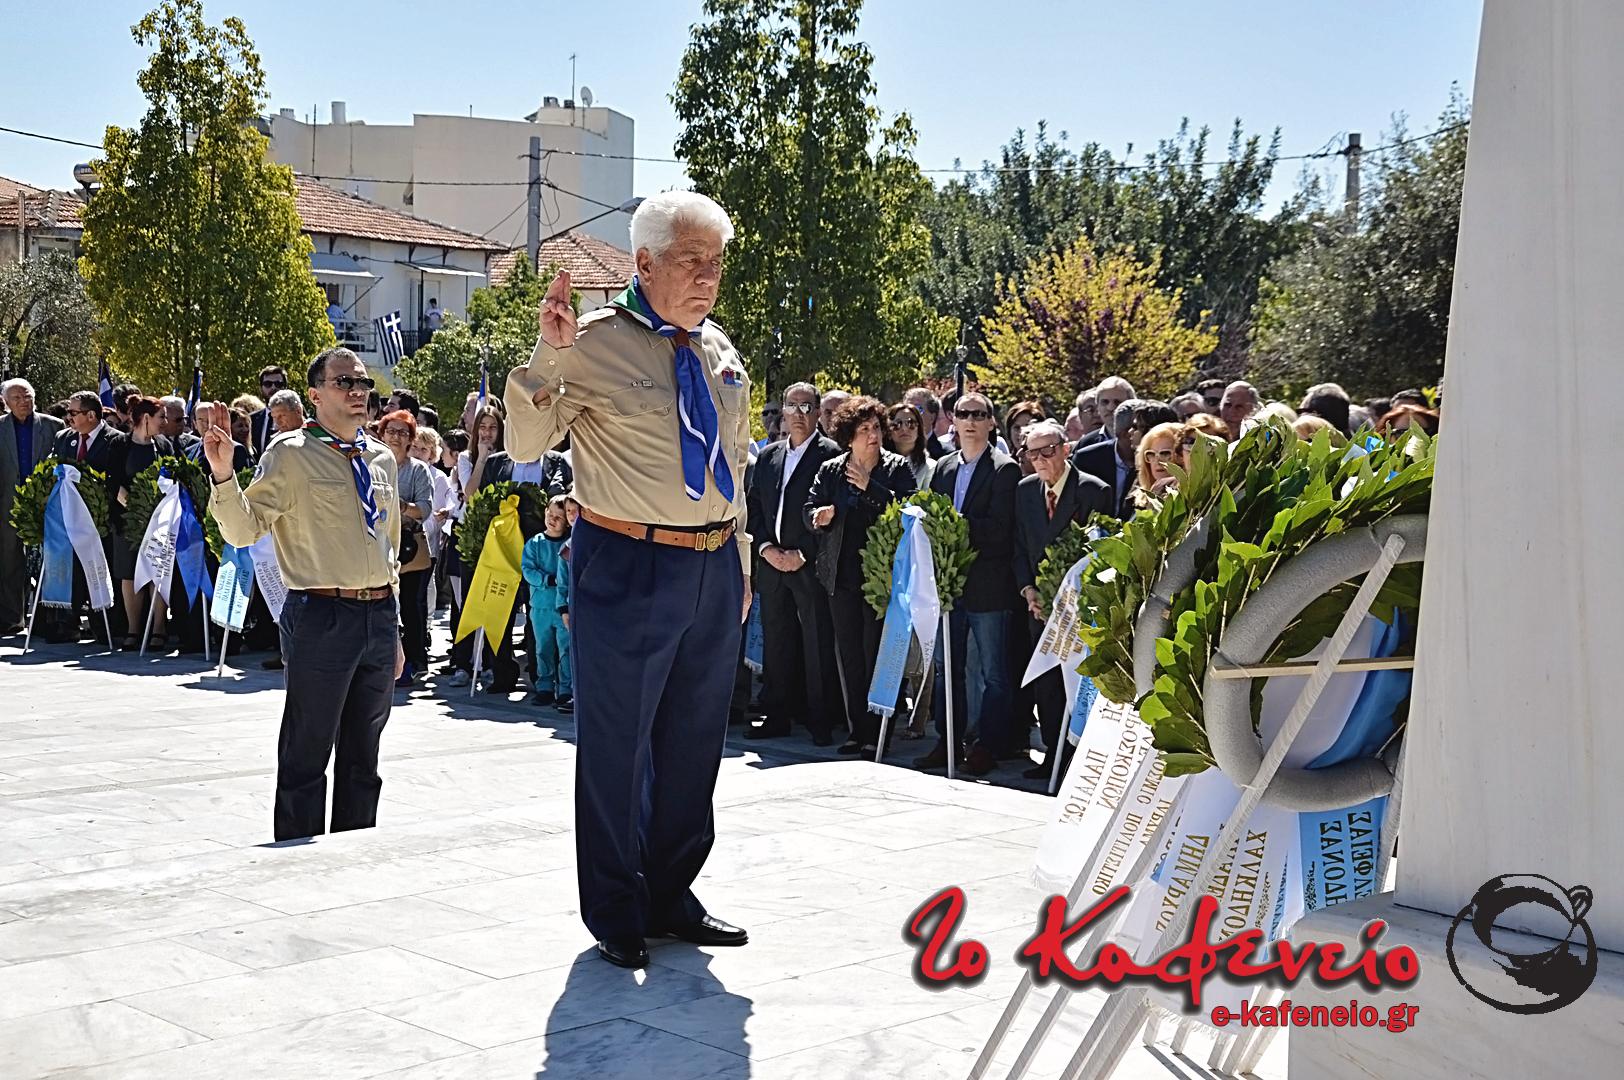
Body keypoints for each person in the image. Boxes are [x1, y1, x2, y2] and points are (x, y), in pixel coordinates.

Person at [503, 190, 754, 970]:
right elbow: (525, 443)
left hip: (713, 561)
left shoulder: (717, 349)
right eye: (691, 260)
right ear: (643, 263)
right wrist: (548, 355)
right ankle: (615, 907)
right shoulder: (591, 343)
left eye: (716, 262)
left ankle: (670, 894)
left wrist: (741, 560)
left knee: (694, 742)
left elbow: (734, 460)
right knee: (617, 745)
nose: (707, 277)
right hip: (628, 558)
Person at [204, 347, 404, 842]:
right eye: (344, 383)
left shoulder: (380, 458)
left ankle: (357, 849)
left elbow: (390, 546)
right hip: (321, 613)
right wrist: (224, 475)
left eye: (363, 384)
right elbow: (244, 530)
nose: (357, 392)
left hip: (378, 614)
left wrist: (395, 626)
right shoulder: (290, 454)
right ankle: (297, 856)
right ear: (315, 395)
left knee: (364, 757)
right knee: (306, 753)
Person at [805, 395, 917, 755]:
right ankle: (858, 730)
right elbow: (810, 507)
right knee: (850, 655)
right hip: (841, 575)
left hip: (882, 577)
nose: (873, 435)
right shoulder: (831, 469)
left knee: (876, 654)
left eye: (876, 428)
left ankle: (879, 731)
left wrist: (871, 487)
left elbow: (909, 510)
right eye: (864, 429)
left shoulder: (896, 467)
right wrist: (818, 516)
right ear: (849, 436)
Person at [918, 391, 1020, 776]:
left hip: (989, 586)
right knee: (948, 669)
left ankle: (987, 746)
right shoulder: (943, 467)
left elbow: (1000, 530)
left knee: (994, 673)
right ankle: (948, 739)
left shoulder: (1005, 469)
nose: (971, 421)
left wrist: (954, 527)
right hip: (949, 586)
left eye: (979, 415)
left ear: (992, 422)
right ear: (953, 421)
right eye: (964, 414)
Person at [1013, 419, 1112, 781]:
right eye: (1032, 453)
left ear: (1066, 450)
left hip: (1077, 608)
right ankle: (1052, 755)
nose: (1040, 460)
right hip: (1039, 607)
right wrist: (1028, 590)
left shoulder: (1092, 490)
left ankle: (1074, 762)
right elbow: (1019, 545)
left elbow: (1099, 551)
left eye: (1048, 451)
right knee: (1046, 683)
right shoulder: (1025, 490)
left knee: (1075, 681)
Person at [746, 383, 841, 745]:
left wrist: (803, 553)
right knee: (776, 640)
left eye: (806, 407)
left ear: (817, 413)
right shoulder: (768, 456)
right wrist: (766, 548)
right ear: (783, 412)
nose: (798, 414)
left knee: (816, 640)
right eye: (792, 406)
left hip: (809, 565)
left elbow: (834, 514)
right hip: (772, 563)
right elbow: (754, 507)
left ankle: (820, 719)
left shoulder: (831, 455)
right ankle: (776, 715)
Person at [0, 379, 65, 635]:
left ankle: (44, 619)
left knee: (46, 563)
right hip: (8, 504)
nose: (23, 402)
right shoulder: (1, 428)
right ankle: (12, 619)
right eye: (17, 398)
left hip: (45, 505)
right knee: (10, 562)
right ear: (6, 402)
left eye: (27, 396)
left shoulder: (53, 426)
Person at [109, 396, 174, 649]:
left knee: (157, 572)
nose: (165, 422)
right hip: (127, 521)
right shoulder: (120, 444)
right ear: (146, 418)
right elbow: (113, 480)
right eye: (161, 417)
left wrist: (155, 511)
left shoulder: (164, 445)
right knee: (129, 573)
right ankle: (133, 629)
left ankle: (159, 628)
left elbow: (172, 477)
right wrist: (136, 510)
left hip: (160, 521)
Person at [378, 410, 433, 687]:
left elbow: (425, 509)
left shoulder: (418, 470)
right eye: (391, 431)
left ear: (411, 438)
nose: (396, 437)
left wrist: (401, 506)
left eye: (402, 432)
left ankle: (414, 661)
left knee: (410, 606)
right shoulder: (371, 465)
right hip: (376, 545)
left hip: (409, 548)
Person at [1075, 399, 1178, 518]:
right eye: (1150, 455)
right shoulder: (1138, 477)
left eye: (1136, 427)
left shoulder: (1184, 492)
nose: (1130, 432)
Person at [520, 495, 573, 710]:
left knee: (566, 649)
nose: (552, 520)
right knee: (543, 648)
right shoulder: (535, 543)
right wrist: (547, 580)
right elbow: (527, 569)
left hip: (562, 608)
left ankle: (566, 689)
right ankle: (545, 687)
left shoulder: (569, 545)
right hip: (540, 606)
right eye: (550, 514)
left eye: (559, 517)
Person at [1129, 420, 1191, 512]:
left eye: (1165, 453)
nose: (1157, 461)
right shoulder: (1134, 498)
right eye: (1151, 454)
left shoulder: (1191, 502)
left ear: (1182, 456)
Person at [54, 391, 121, 472]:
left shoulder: (119, 441)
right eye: (68, 412)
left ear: (91, 415)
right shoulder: (62, 437)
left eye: (73, 413)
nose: (68, 417)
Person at [885, 402, 935, 490]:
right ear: (889, 431)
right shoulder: (878, 464)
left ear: (919, 429)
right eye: (897, 424)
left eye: (911, 423)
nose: (904, 429)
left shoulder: (931, 467)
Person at [1076, 377, 1135, 449]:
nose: (1110, 408)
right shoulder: (1085, 444)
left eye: (1117, 402)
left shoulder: (1145, 438)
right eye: (1105, 402)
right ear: (1098, 406)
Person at [249, 366, 290, 458]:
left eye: (278, 384)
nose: (273, 387)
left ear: (285, 387)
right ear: (261, 388)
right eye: (268, 384)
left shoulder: (295, 418)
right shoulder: (251, 420)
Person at [902, 387, 950, 459]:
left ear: (932, 417)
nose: (910, 414)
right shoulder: (893, 451)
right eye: (906, 409)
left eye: (917, 409)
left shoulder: (946, 455)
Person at [1003, 401, 1047, 476]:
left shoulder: (1048, 461)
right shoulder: (1004, 466)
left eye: (1027, 426)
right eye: (1017, 428)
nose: (1021, 432)